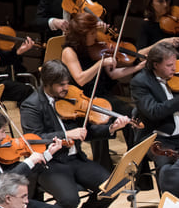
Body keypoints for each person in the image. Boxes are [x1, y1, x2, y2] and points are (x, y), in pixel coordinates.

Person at [20, 60, 126, 208]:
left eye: (68, 83)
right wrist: (66, 135)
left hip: (76, 159)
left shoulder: (71, 97)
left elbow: (87, 132)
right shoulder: (32, 105)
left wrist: (110, 128)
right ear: (48, 83)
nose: (66, 88)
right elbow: (34, 139)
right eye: (61, 85)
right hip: (51, 164)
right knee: (69, 199)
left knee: (113, 186)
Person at [61, 12, 143, 168]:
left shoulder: (95, 47)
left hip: (102, 94)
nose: (96, 35)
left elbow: (112, 74)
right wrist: (101, 63)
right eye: (91, 33)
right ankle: (103, 168)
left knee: (131, 114)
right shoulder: (69, 52)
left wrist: (135, 67)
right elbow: (80, 78)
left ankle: (136, 164)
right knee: (99, 123)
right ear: (81, 35)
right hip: (84, 100)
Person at [130, 42, 179, 174]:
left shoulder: (178, 77)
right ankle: (168, 195)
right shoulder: (140, 82)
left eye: (175, 64)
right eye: (169, 65)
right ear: (156, 65)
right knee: (166, 168)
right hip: (159, 138)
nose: (174, 69)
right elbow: (154, 111)